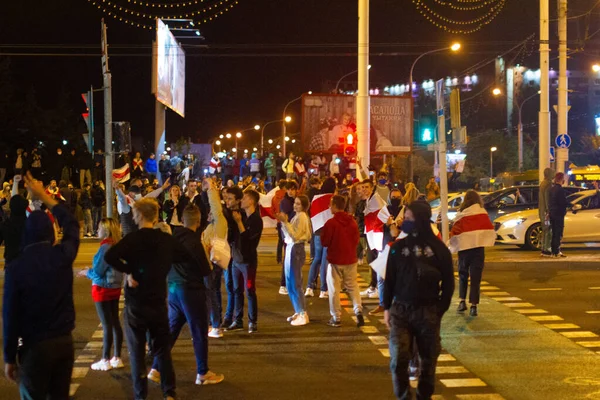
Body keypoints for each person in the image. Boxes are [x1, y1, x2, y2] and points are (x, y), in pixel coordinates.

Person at [104, 198, 203, 400]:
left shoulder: (132, 239)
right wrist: (165, 265)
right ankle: (169, 393)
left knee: (137, 353)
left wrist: (129, 270)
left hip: (136, 304)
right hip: (158, 301)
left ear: (139, 216)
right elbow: (188, 259)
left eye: (134, 213)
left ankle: (141, 395)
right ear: (156, 216)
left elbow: (110, 256)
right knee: (162, 350)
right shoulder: (166, 241)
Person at [3, 172, 80, 399]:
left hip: (35, 346)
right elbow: (72, 224)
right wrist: (45, 197)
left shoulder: (16, 268)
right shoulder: (61, 256)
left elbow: (10, 315)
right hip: (64, 341)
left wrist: (9, 357)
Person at [384, 201, 454, 399]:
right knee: (398, 359)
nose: (404, 222)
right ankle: (403, 395)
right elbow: (390, 279)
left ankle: (424, 395)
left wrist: (439, 309)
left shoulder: (439, 249)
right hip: (401, 311)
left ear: (421, 220)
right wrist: (387, 307)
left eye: (408, 219)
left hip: (428, 311)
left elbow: (448, 283)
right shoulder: (398, 248)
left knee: (428, 361)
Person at [147, 205, 223, 386]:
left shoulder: (174, 238)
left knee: (172, 330)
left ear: (182, 220)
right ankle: (203, 372)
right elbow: (205, 270)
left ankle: (156, 368)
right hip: (190, 290)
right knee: (198, 331)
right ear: (198, 221)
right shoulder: (194, 242)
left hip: (173, 288)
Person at [77, 218, 125, 371]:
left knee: (106, 324)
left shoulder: (105, 247)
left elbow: (98, 271)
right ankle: (116, 357)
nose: (97, 231)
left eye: (99, 228)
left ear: (105, 230)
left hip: (103, 288)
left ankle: (105, 358)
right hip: (115, 287)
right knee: (115, 322)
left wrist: (87, 272)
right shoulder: (118, 246)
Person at [449, 190, 495, 317]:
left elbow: (455, 231)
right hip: (478, 250)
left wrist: (453, 244)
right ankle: (474, 305)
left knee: (463, 275)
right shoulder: (482, 212)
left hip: (464, 250)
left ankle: (462, 301)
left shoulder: (461, 214)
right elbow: (488, 229)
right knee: (475, 278)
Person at [321, 194, 364, 328]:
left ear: (334, 206)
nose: (329, 207)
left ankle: (336, 317)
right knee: (352, 286)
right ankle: (358, 310)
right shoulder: (352, 221)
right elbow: (356, 240)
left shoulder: (331, 223)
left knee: (334, 289)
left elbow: (325, 242)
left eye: (330, 205)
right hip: (350, 258)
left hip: (335, 260)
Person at [227, 189, 263, 333]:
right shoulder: (241, 215)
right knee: (237, 290)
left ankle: (252, 321)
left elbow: (248, 240)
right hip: (236, 259)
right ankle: (238, 320)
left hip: (247, 261)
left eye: (245, 198)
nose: (242, 200)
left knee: (249, 290)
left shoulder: (256, 220)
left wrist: (239, 223)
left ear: (252, 201)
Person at [277, 195, 312, 326]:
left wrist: (285, 222)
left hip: (296, 248)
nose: (295, 206)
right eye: (295, 203)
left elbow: (296, 235)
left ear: (303, 206)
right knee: (289, 282)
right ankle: (298, 310)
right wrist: (284, 222)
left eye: (298, 204)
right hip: (292, 247)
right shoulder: (298, 216)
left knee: (295, 282)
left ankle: (302, 313)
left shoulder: (302, 216)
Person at [201, 178, 228, 338]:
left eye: (211, 211)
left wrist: (211, 189)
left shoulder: (219, 222)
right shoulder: (211, 225)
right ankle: (213, 324)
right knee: (212, 293)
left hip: (212, 263)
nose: (209, 213)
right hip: (210, 263)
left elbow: (215, 208)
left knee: (209, 294)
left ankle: (215, 325)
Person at [306, 177, 336, 298]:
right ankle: (324, 289)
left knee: (317, 258)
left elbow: (311, 213)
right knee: (325, 260)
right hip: (329, 232)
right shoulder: (333, 199)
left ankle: (309, 287)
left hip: (317, 230)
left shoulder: (316, 198)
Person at [222, 186, 244, 330]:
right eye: (226, 197)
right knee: (229, 286)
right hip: (226, 252)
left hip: (237, 254)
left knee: (236, 288)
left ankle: (237, 318)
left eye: (230, 198)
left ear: (238, 200)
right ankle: (229, 317)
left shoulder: (241, 215)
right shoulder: (226, 212)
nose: (227, 200)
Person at [278, 180, 298, 295]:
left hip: (294, 232)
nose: (290, 191)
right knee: (288, 258)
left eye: (292, 189)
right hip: (287, 233)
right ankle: (283, 284)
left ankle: (290, 282)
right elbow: (286, 218)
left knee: (294, 259)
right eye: (288, 189)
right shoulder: (285, 202)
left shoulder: (295, 200)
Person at [548, 172, 568, 258]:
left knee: (554, 233)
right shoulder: (560, 190)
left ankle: (553, 251)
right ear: (562, 179)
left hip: (552, 213)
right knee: (558, 233)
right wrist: (571, 205)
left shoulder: (552, 189)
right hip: (559, 214)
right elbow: (563, 202)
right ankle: (557, 251)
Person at [538, 167, 554, 257]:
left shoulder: (542, 183)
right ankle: (547, 249)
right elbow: (547, 199)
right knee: (548, 231)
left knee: (545, 230)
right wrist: (548, 211)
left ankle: (543, 248)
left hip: (542, 210)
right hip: (546, 212)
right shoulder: (548, 184)